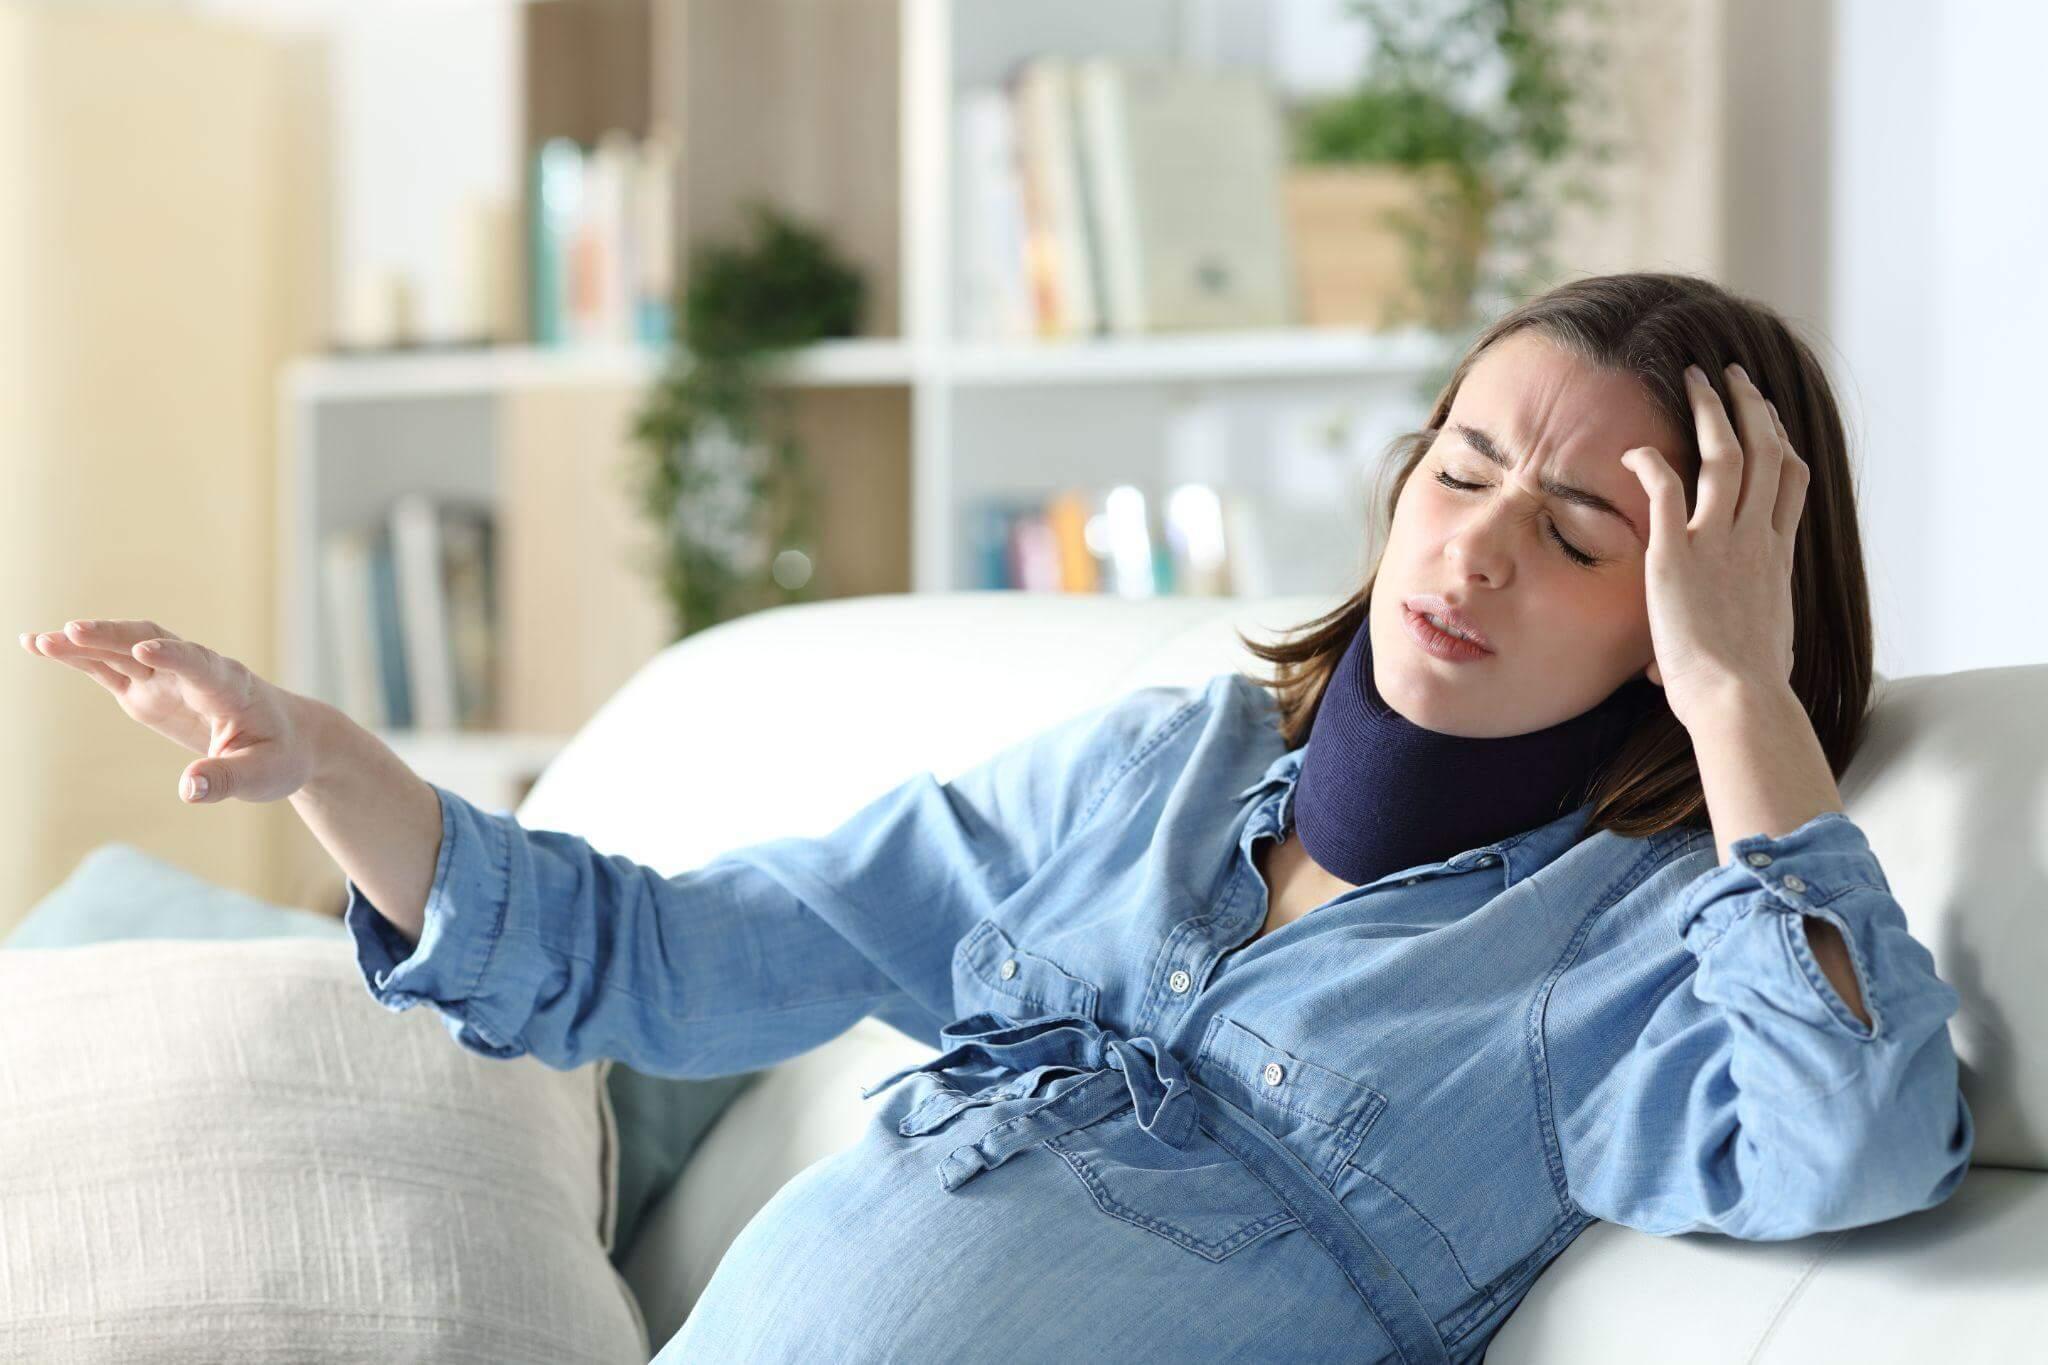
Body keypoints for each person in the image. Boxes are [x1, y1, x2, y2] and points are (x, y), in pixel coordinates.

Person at [21, 272, 1973, 1363]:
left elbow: (1856, 1138)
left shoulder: (1620, 949)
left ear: (1681, 608)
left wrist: (1739, 697)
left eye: (1572, 534)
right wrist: (327, 762)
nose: (1466, 546)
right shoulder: (1158, 773)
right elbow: (664, 954)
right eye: (1457, 464)